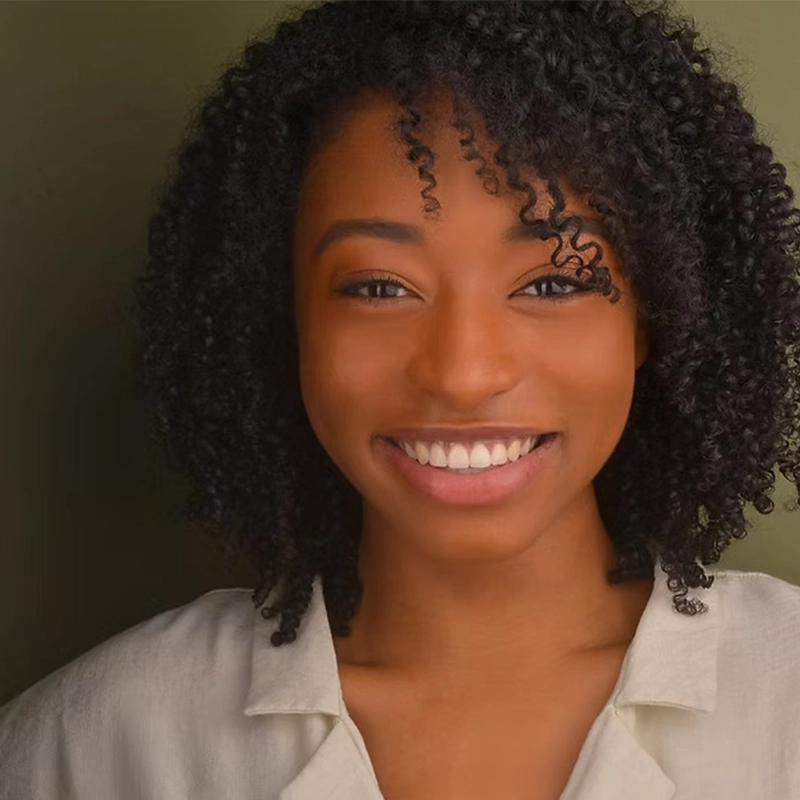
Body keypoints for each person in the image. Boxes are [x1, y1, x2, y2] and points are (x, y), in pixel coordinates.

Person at [2, 0, 800, 797]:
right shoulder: (95, 747)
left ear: (652, 320)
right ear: (286, 324)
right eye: (379, 286)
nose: (462, 372)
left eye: (554, 281)